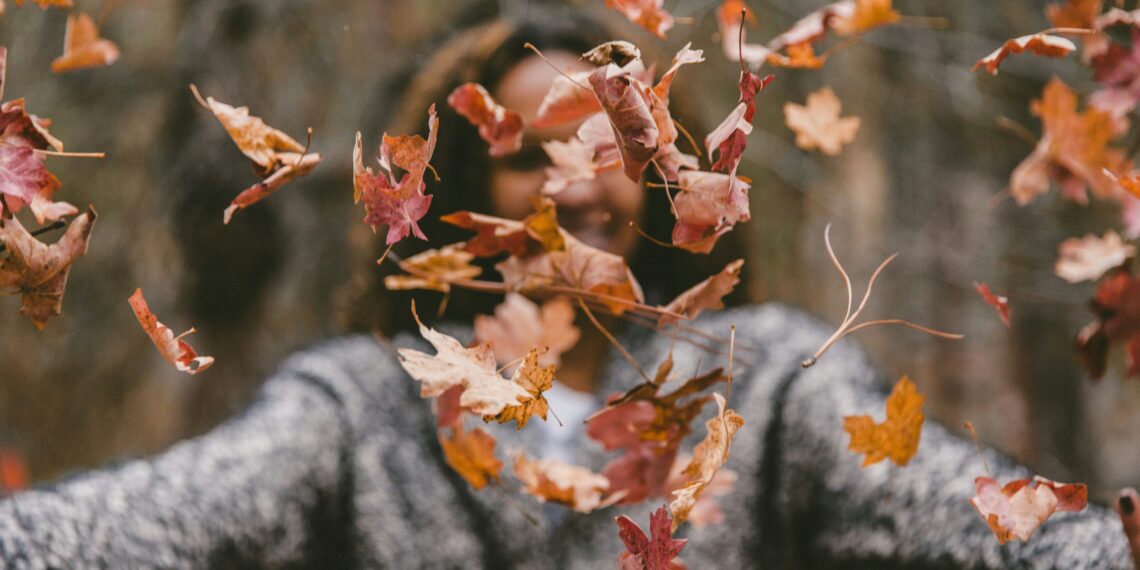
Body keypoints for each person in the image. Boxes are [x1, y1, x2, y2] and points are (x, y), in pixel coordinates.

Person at [1, 5, 1138, 568]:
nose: (575, 184)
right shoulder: (362, 405)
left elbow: (980, 520)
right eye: (527, 150)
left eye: (606, 147)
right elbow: (170, 514)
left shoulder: (761, 382)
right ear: (454, 191)